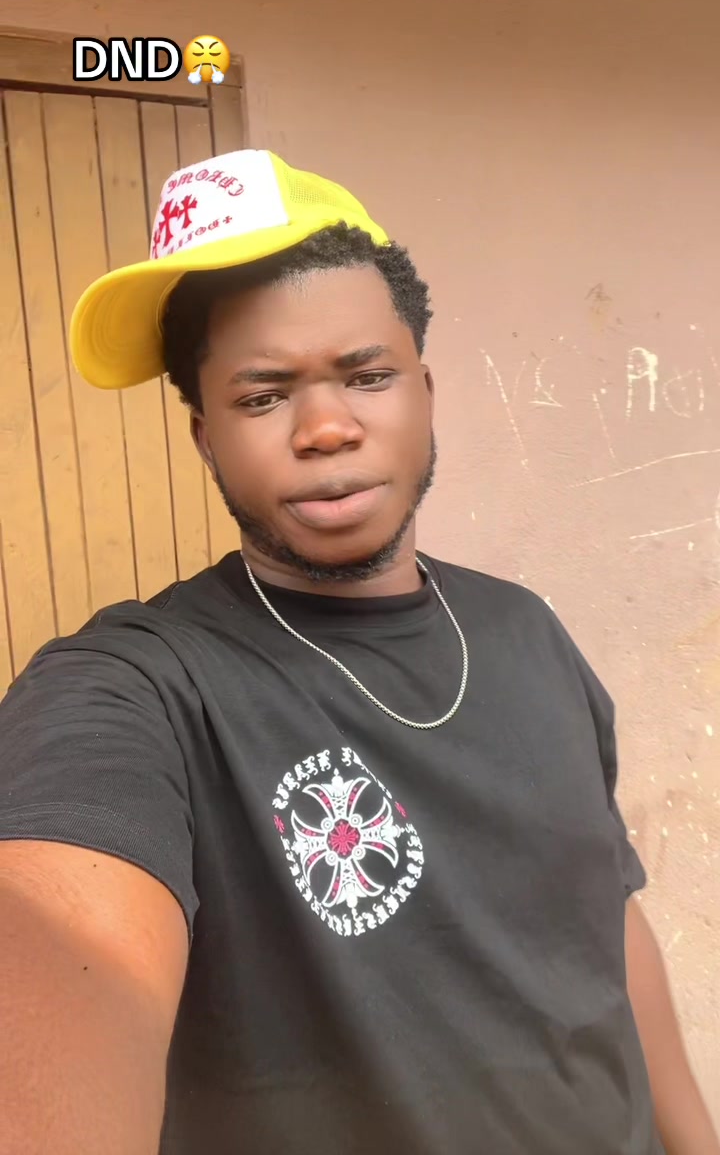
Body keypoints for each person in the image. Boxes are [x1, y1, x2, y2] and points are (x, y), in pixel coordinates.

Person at [0, 148, 716, 1155]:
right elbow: (61, 947)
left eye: (368, 376)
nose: (328, 427)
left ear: (426, 391)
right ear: (205, 437)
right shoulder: (134, 689)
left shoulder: (528, 632)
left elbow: (603, 920)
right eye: (263, 395)